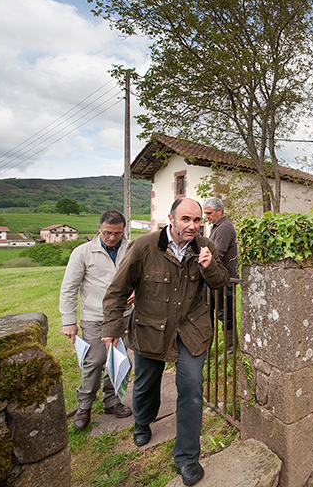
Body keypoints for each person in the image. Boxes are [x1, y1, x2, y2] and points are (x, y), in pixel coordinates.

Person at [102, 198, 228, 487]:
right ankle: (142, 421)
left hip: (190, 330)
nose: (192, 226)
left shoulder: (203, 245)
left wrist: (209, 267)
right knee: (146, 383)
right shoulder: (145, 246)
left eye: (197, 220)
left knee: (192, 388)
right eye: (186, 219)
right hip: (150, 328)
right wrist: (111, 328)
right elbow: (118, 290)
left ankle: (187, 457)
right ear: (171, 218)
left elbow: (220, 282)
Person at [59, 211, 133, 430]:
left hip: (123, 315)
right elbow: (69, 288)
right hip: (94, 316)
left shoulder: (131, 250)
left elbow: (142, 276)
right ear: (99, 228)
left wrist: (136, 292)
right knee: (95, 360)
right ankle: (84, 405)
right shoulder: (82, 252)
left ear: (124, 231)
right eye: (107, 233)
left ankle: (111, 401)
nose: (112, 238)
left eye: (117, 233)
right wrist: (68, 321)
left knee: (117, 358)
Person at [202, 197, 238, 355]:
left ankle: (231, 350)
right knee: (207, 313)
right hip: (213, 279)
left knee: (225, 315)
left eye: (209, 213)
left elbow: (218, 254)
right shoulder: (217, 226)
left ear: (220, 211)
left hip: (223, 280)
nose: (207, 216)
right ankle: (205, 348)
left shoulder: (224, 228)